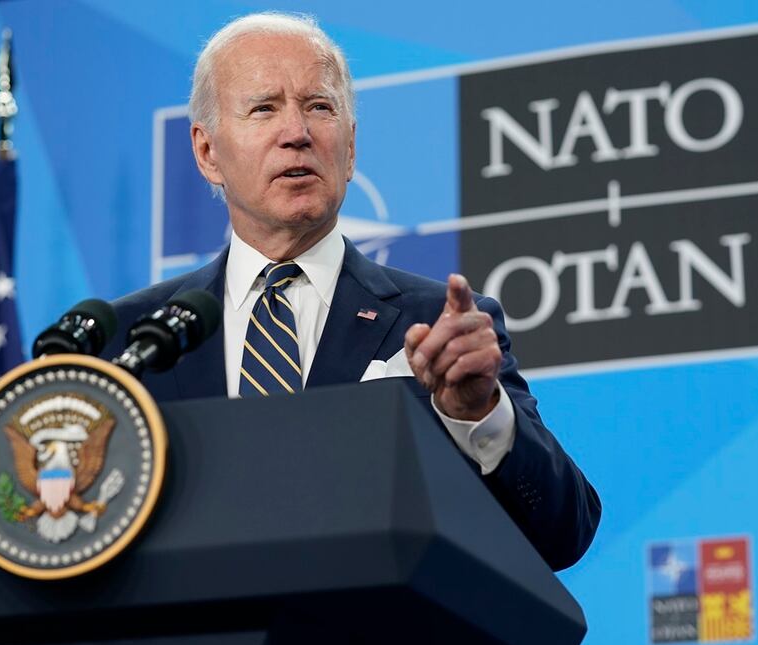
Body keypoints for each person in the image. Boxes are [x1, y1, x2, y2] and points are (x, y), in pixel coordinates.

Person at [105, 12, 600, 571]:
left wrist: (480, 414)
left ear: (350, 147)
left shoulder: (439, 324)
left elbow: (564, 530)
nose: (297, 132)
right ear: (207, 153)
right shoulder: (131, 342)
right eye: (264, 108)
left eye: (319, 107)